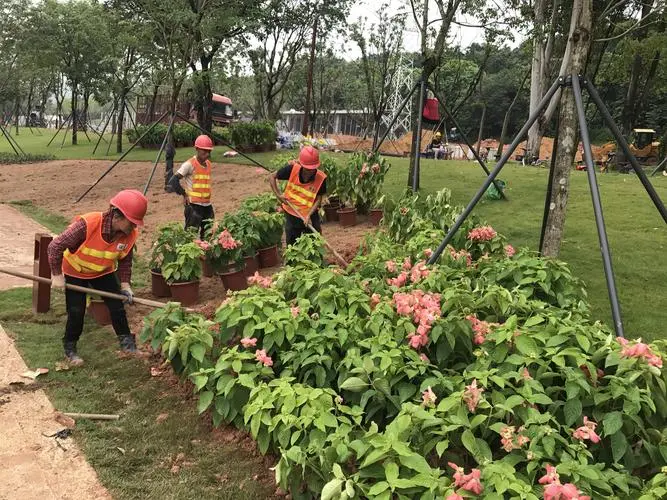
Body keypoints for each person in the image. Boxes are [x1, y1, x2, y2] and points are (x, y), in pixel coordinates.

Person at [47, 189, 148, 366]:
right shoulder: (88, 224)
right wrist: (57, 275)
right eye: (132, 222)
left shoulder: (130, 235)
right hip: (75, 271)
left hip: (102, 271)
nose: (134, 227)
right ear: (118, 216)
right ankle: (70, 348)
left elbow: (125, 260)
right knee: (76, 311)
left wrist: (125, 285)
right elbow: (55, 246)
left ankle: (127, 345)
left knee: (117, 306)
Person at [269, 145, 327, 246]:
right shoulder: (292, 169)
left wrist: (308, 215)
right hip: (291, 211)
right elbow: (272, 177)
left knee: (315, 240)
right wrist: (278, 195)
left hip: (310, 213)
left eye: (313, 169)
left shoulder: (321, 178)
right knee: (292, 243)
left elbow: (318, 199)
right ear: (301, 165)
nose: (311, 172)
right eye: (307, 169)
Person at [168, 134, 215, 238]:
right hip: (194, 206)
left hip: (207, 206)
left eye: (209, 151)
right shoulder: (189, 164)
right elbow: (173, 181)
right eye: (204, 151)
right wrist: (184, 194)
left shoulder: (208, 164)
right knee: (190, 236)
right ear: (197, 149)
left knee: (208, 235)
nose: (207, 154)